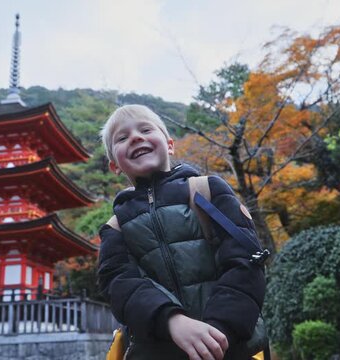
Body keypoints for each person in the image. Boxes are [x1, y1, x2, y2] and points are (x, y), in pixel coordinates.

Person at [97, 104, 266, 360]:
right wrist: (172, 321)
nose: (135, 137)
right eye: (122, 138)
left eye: (145, 129)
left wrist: (218, 333)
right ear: (114, 166)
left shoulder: (208, 192)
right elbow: (120, 286)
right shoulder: (115, 227)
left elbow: (245, 261)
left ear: (170, 145)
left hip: (229, 347)